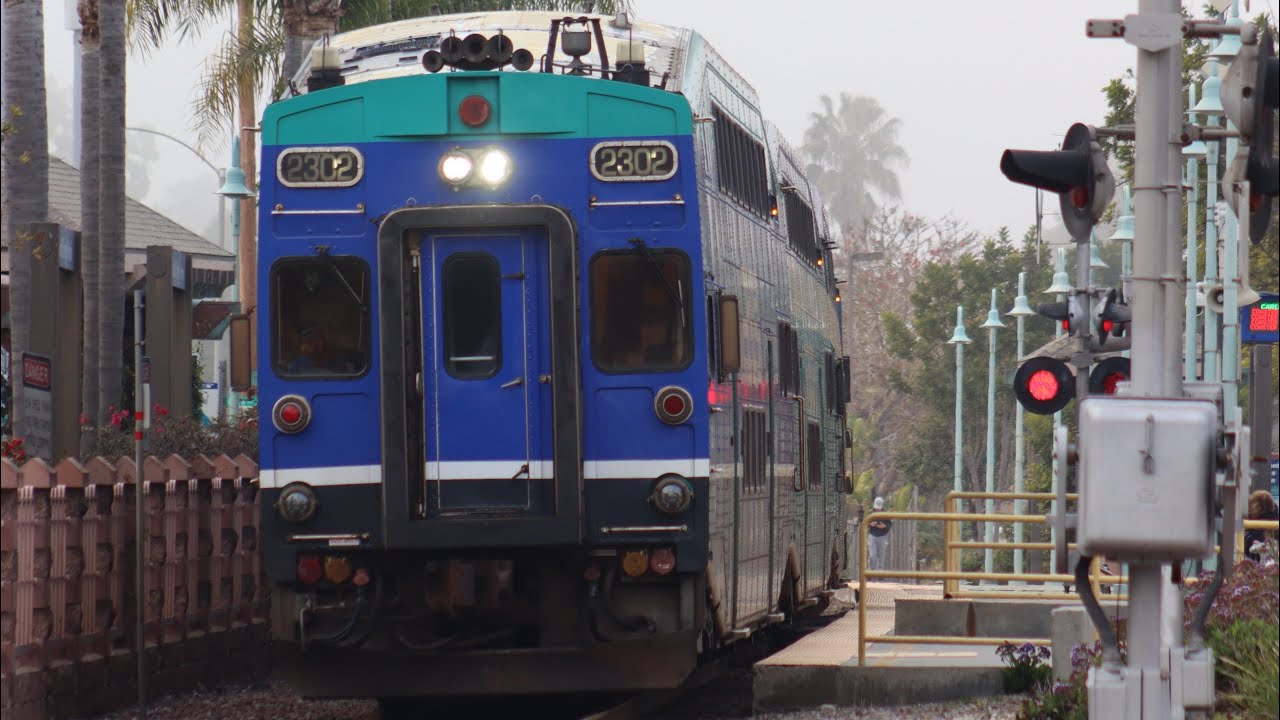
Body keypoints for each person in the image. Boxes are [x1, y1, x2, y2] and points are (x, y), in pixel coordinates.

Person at [1244, 490, 1278, 564]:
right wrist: (1253, 541)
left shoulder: (1273, 511)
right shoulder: (1248, 514)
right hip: (1254, 553)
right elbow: (1244, 533)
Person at [867, 496, 892, 572]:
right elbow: (865, 524)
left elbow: (890, 524)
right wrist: (871, 524)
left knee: (881, 556)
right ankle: (871, 572)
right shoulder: (870, 514)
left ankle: (880, 574)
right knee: (872, 555)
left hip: (882, 536)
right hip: (872, 536)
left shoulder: (885, 514)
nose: (877, 509)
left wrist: (884, 526)